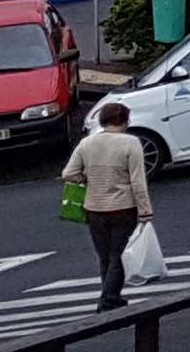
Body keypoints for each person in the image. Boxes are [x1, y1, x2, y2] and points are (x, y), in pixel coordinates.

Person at [60, 101, 153, 309]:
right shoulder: (131, 143)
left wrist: (87, 177)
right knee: (118, 254)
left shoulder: (87, 144)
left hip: (94, 207)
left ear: (102, 120)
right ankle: (109, 299)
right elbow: (138, 180)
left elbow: (68, 174)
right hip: (123, 207)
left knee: (104, 256)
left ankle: (110, 294)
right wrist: (145, 210)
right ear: (126, 121)